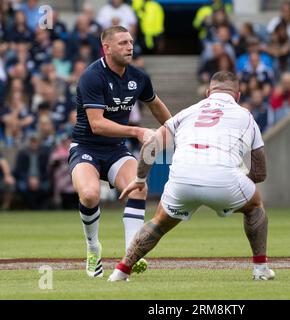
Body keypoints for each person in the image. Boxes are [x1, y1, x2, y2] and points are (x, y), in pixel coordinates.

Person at [108, 71, 275, 282]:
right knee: (255, 206)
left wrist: (140, 179)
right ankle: (261, 270)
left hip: (182, 177)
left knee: (159, 222)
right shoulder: (246, 116)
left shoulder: (187, 112)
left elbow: (152, 146)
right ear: (238, 96)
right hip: (223, 177)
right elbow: (260, 173)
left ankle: (120, 271)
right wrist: (235, 181)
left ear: (208, 93)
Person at [68, 26, 171, 278]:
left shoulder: (138, 77)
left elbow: (156, 106)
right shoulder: (92, 76)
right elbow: (97, 124)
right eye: (123, 42)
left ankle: (131, 254)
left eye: (131, 42)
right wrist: (136, 132)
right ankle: (93, 249)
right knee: (90, 195)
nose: (129, 47)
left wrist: (176, 128)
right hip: (86, 147)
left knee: (139, 187)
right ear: (107, 48)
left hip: (115, 150)